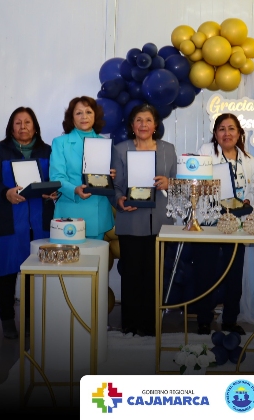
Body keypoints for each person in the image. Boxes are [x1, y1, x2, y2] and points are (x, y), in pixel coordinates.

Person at [0, 107, 55, 339]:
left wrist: (53, 192)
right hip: (9, 220)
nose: (23, 127)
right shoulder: (0, 151)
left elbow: (56, 179)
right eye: (18, 123)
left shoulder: (48, 150)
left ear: (35, 127)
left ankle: (31, 320)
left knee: (36, 274)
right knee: (6, 272)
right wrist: (5, 193)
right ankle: (7, 319)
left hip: (40, 222)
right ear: (11, 128)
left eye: (27, 122)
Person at [111, 104, 177, 337]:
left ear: (155, 125)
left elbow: (180, 185)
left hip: (160, 222)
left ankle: (151, 326)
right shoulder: (120, 150)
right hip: (130, 219)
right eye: (138, 120)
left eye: (148, 120)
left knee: (155, 276)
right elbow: (115, 186)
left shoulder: (168, 149)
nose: (143, 125)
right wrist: (119, 199)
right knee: (131, 275)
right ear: (132, 125)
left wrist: (170, 183)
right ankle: (130, 325)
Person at [192, 113, 254, 335]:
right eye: (222, 129)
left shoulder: (250, 161)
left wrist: (248, 200)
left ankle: (230, 320)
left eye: (231, 129)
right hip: (208, 221)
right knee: (205, 273)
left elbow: (252, 191)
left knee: (234, 275)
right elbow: (196, 181)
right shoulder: (205, 152)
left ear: (239, 133)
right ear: (215, 133)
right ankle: (203, 319)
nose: (227, 133)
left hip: (236, 224)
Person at [50, 96, 114, 238]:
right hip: (70, 213)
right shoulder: (60, 142)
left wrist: (111, 176)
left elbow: (109, 177)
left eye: (88, 112)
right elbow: (56, 177)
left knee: (97, 252)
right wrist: (75, 190)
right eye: (79, 113)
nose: (84, 116)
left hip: (99, 214)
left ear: (95, 116)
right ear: (71, 118)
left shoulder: (105, 142)